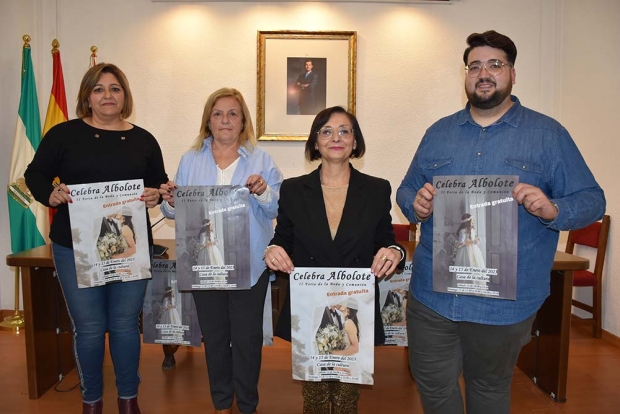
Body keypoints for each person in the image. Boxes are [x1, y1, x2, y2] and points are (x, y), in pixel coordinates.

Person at [396, 30, 606, 414]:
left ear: (512, 74)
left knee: (488, 391)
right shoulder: (438, 133)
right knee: (432, 385)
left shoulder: (548, 135)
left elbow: (593, 199)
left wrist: (553, 210)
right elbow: (406, 191)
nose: (483, 73)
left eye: (495, 64)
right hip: (433, 295)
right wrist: (417, 204)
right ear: (465, 75)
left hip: (504, 302)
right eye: (474, 66)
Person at [24, 63, 168, 414]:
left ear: (125, 96)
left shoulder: (143, 139)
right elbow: (35, 174)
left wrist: (155, 196)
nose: (108, 95)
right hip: (75, 248)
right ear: (87, 96)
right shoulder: (63, 135)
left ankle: (128, 398)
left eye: (115, 88)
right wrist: (52, 194)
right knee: (88, 328)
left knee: (122, 324)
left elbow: (158, 184)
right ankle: (91, 400)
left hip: (130, 250)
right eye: (99, 88)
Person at [265, 106, 406, 414]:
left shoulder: (377, 188)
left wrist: (395, 252)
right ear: (315, 143)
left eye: (345, 131)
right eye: (326, 131)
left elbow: (386, 240)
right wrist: (271, 250)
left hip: (355, 304)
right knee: (313, 396)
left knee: (346, 398)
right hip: (310, 304)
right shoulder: (291, 189)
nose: (336, 138)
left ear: (355, 142)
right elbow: (283, 240)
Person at [159, 87, 283, 414]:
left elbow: (276, 210)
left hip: (249, 265)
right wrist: (170, 200)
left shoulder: (261, 159)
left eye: (232, 113)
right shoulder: (190, 159)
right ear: (208, 122)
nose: (225, 120)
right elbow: (176, 213)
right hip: (204, 266)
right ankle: (221, 403)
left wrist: (262, 192)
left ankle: (247, 405)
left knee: (246, 340)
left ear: (243, 122)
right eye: (218, 114)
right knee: (214, 339)